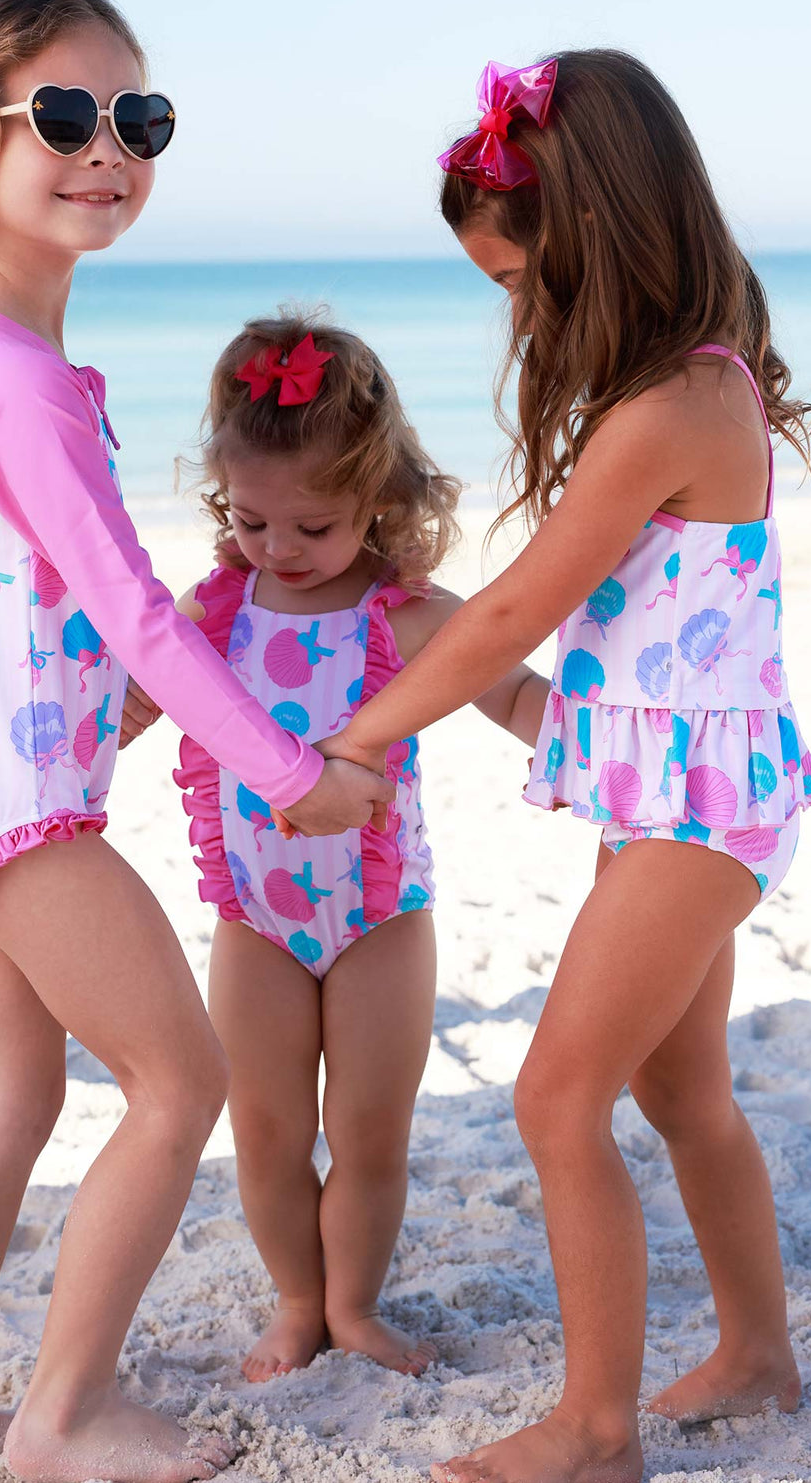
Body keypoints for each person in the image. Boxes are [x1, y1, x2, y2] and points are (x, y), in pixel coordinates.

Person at [0, 0, 391, 1483]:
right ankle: (61, 1416)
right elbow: (134, 610)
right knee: (180, 1083)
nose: (112, 150)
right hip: (19, 813)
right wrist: (288, 771)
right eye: (70, 117)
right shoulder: (13, 381)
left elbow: (42, 624)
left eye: (138, 119)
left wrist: (141, 707)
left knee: (11, 1104)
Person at [317, 52, 811, 1483]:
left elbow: (510, 615)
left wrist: (363, 731)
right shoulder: (685, 392)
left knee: (557, 1099)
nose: (518, 308)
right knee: (685, 1095)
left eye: (515, 279)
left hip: (701, 821)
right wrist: (443, 660)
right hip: (676, 798)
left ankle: (598, 1433)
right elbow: (618, 672)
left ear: (594, 237)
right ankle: (756, 1356)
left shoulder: (670, 413)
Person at [166, 313, 547, 1382]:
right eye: (252, 521)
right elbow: (142, 693)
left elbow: (510, 683)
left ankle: (356, 1304)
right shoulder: (217, 610)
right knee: (269, 1131)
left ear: (377, 502)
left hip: (381, 920)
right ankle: (297, 1303)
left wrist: (592, 747)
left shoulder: (405, 613)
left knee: (371, 1128)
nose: (278, 548)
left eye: (313, 527)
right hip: (256, 920)